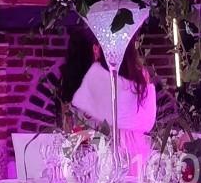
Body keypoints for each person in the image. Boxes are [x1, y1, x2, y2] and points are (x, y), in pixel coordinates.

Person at [58, 26, 157, 169]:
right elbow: (147, 120)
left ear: (99, 48)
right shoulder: (141, 75)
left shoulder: (98, 77)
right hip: (136, 149)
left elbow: (86, 126)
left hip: (105, 151)